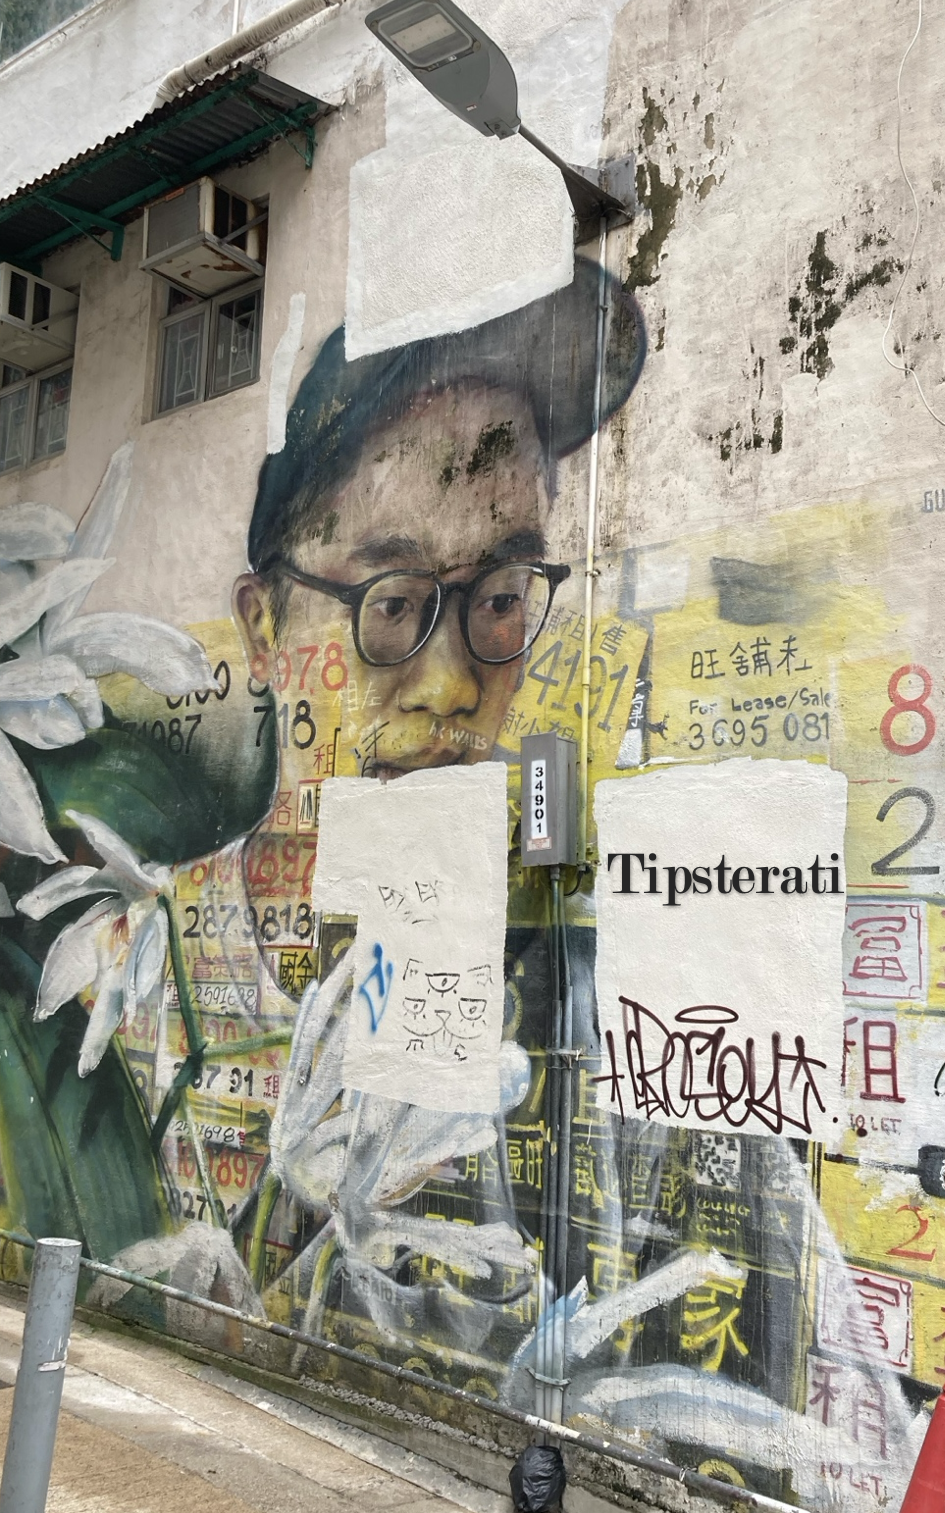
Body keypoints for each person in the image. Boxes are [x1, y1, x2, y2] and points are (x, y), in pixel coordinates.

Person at [164, 256, 645, 1332]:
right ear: (262, 628)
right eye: (391, 606)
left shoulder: (580, 985)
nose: (451, 684)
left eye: (504, 598)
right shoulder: (134, 965)